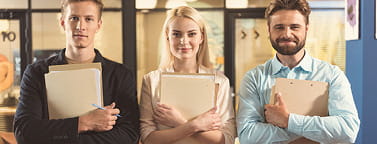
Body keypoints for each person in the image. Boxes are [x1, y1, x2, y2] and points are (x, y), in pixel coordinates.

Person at [14, 0, 139, 143]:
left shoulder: (121, 75)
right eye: (74, 18)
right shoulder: (36, 73)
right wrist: (84, 123)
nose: (81, 26)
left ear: (98, 25)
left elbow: (130, 134)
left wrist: (62, 135)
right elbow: (24, 132)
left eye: (88, 19)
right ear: (62, 23)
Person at [236, 0, 360, 143]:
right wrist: (315, 132)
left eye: (294, 27)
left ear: (306, 28)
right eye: (279, 27)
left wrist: (288, 121)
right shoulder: (254, 78)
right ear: (269, 29)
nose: (287, 34)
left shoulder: (331, 75)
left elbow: (348, 130)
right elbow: (247, 135)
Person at [139, 6, 236, 144]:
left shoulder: (220, 81)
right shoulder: (151, 81)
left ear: (201, 37)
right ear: (167, 36)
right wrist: (196, 125)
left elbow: (226, 139)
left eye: (191, 34)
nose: (184, 41)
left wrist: (179, 122)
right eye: (176, 34)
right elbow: (147, 138)